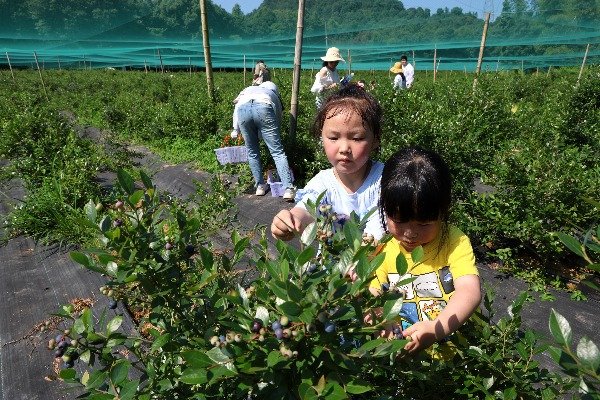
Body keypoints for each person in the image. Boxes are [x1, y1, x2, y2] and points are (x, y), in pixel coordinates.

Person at [367, 147, 481, 357]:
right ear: (384, 207)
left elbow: (469, 291)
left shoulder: (454, 242)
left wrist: (436, 328)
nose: (410, 234)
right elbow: (374, 291)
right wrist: (379, 315)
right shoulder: (382, 246)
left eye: (424, 224)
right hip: (403, 358)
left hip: (452, 359)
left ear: (443, 211)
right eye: (399, 221)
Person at [271, 84, 385, 242]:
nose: (344, 148)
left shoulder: (385, 180)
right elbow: (306, 210)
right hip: (332, 266)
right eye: (333, 138)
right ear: (321, 138)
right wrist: (290, 220)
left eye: (357, 138)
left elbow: (379, 228)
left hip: (377, 264)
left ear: (375, 140)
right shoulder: (323, 183)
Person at [232, 81, 295, 200]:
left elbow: (237, 107)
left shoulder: (248, 90)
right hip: (263, 107)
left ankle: (260, 186)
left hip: (242, 110)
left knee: (252, 151)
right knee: (277, 151)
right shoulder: (272, 94)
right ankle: (288, 188)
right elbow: (277, 119)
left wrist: (235, 129)